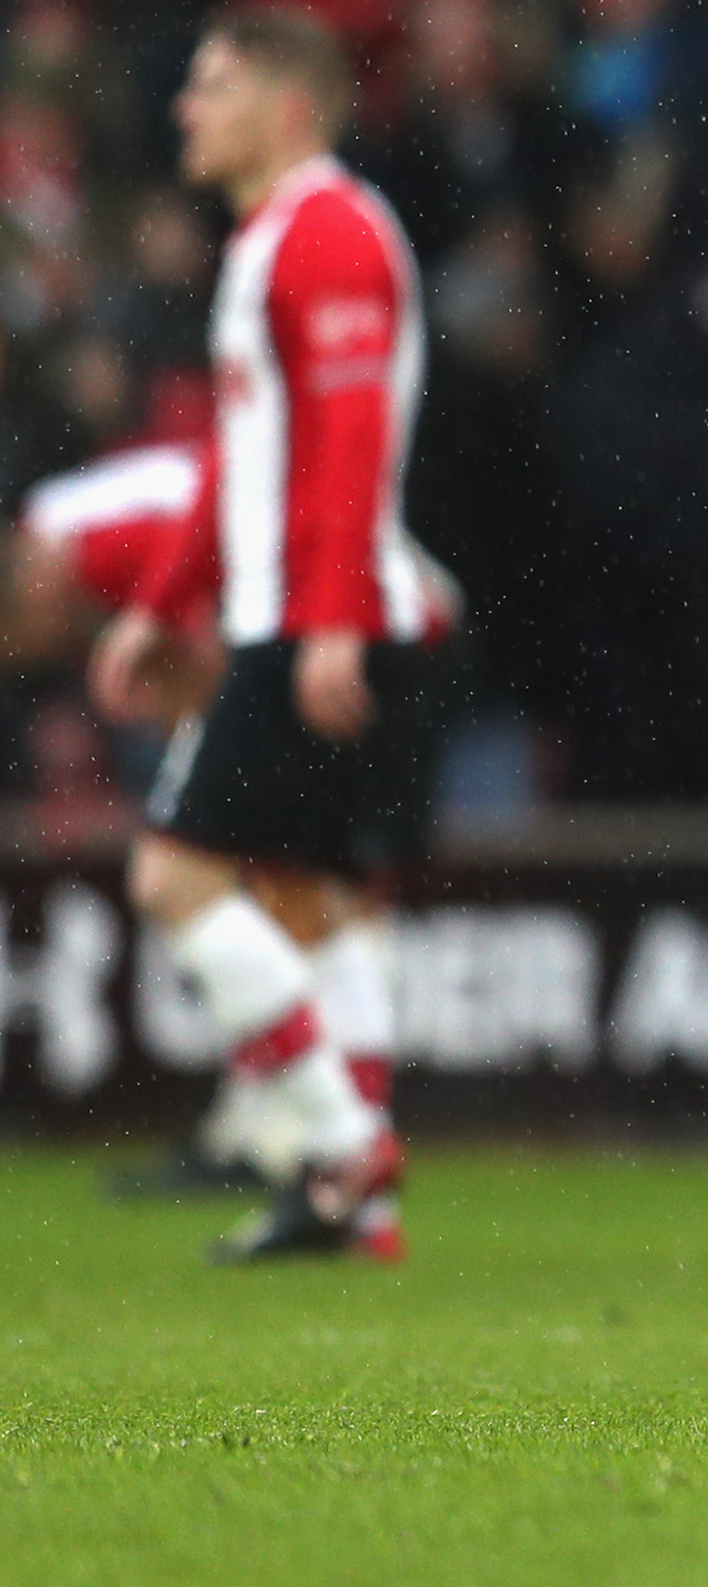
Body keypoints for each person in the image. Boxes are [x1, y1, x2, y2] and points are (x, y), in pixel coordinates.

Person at [86, 8, 447, 1266]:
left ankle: (342, 1151)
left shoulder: (330, 235)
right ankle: (367, 1214)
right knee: (316, 901)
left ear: (290, 107)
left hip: (312, 622)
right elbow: (245, 453)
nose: (189, 107)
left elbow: (350, 448)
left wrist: (331, 627)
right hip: (303, 613)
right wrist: (157, 598)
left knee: (173, 879)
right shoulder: (281, 239)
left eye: (216, 83)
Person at [26, 438, 455, 1205]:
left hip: (345, 631)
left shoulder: (86, 546)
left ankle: (321, 1142)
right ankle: (307, 1152)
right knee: (314, 895)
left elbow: (204, 618)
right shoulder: (83, 526)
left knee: (205, 879)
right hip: (392, 622)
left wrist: (197, 745)